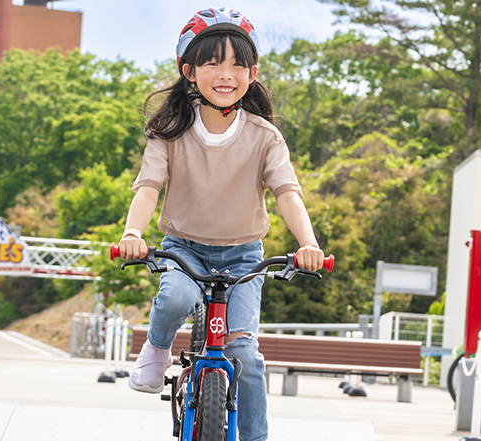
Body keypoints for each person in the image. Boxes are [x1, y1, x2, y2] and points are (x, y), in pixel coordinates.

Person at [119, 8, 326, 441]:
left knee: (244, 354)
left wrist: (309, 245)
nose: (226, 73)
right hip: (184, 248)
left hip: (244, 255)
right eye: (212, 62)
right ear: (189, 71)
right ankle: (157, 348)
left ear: (253, 73)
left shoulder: (264, 136)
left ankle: (254, 438)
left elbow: (288, 193)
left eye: (237, 64)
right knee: (176, 295)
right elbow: (149, 188)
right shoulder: (170, 131)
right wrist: (132, 234)